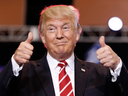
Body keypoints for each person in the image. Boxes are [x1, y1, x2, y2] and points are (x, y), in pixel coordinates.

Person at [0, 5, 128, 96]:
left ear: (77, 33)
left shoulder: (100, 74)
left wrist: (117, 65)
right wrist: (15, 63)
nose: (59, 35)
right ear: (43, 36)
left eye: (65, 27)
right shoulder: (24, 74)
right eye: (51, 29)